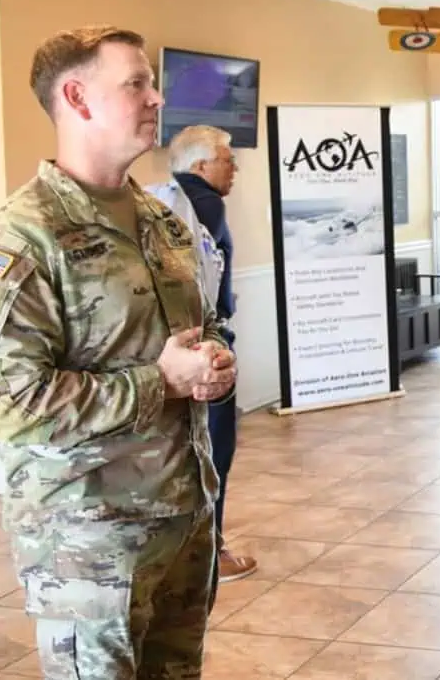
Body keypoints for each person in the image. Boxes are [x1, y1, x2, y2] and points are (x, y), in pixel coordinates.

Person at [0, 25, 236, 678]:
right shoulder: (25, 234)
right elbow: (11, 403)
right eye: (136, 83)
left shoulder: (159, 219)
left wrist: (212, 362)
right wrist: (160, 382)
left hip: (182, 517)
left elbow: (197, 328)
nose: (157, 97)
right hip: (89, 547)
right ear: (76, 97)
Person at [151, 124, 258, 583]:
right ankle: (212, 554)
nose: (234, 168)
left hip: (178, 345)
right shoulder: (204, 203)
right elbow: (200, 282)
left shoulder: (161, 198)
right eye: (227, 160)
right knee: (215, 449)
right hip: (204, 344)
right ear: (200, 166)